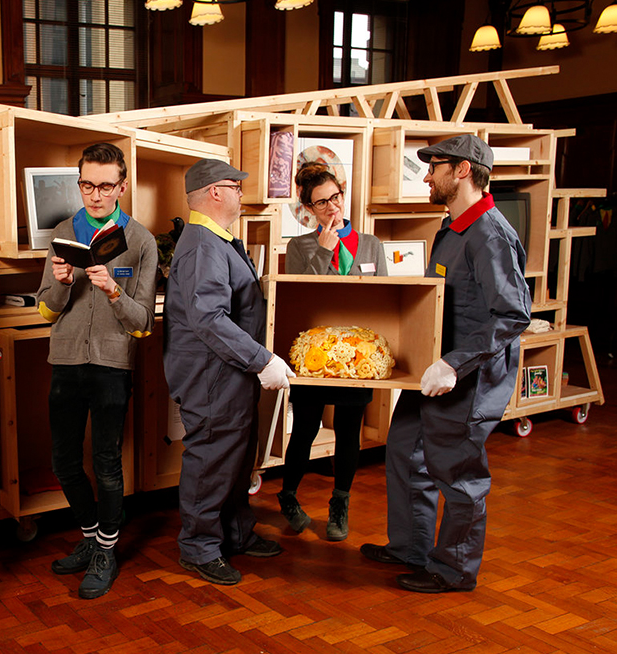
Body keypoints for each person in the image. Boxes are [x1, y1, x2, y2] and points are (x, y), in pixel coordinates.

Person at [361, 134, 531, 593]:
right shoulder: (452, 227)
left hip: (467, 378)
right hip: (433, 374)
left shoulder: (491, 235)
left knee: (458, 475)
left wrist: (455, 364)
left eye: (434, 166)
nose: (427, 174)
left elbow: (513, 314)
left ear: (462, 172)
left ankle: (453, 569)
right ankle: (411, 548)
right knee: (402, 450)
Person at [163, 158, 294, 586]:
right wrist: (263, 360)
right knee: (212, 460)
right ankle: (198, 549)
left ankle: (236, 533)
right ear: (215, 192)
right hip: (211, 377)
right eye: (235, 187)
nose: (241, 193)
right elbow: (209, 319)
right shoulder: (203, 244)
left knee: (237, 458)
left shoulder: (218, 241)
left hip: (229, 374)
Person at [35, 143, 157, 599]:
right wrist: (63, 285)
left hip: (111, 365)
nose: (95, 195)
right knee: (63, 461)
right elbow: (46, 311)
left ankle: (107, 549)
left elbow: (143, 322)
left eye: (106, 186)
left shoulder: (140, 241)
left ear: (122, 186)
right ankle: (91, 537)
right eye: (87, 184)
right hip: (65, 360)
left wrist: (111, 291)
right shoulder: (64, 231)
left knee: (106, 463)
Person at [278, 162, 389, 542]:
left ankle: (340, 503)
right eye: (321, 202)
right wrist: (322, 253)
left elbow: (384, 300)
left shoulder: (372, 244)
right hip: (314, 358)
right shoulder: (299, 246)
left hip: (355, 362)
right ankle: (288, 495)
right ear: (308, 208)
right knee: (305, 430)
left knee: (347, 433)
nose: (332, 208)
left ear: (343, 193)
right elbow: (298, 297)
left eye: (335, 197)